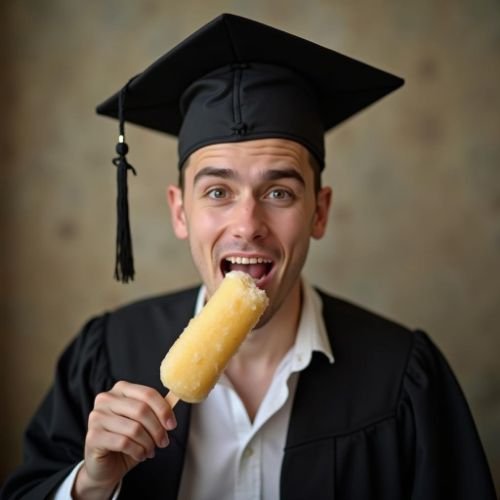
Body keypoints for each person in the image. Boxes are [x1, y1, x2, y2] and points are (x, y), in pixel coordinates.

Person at [1, 13, 496, 500]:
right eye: (217, 192)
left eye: (279, 192)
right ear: (179, 212)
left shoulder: (403, 377)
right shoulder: (105, 358)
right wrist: (91, 485)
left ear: (319, 214)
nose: (247, 225)